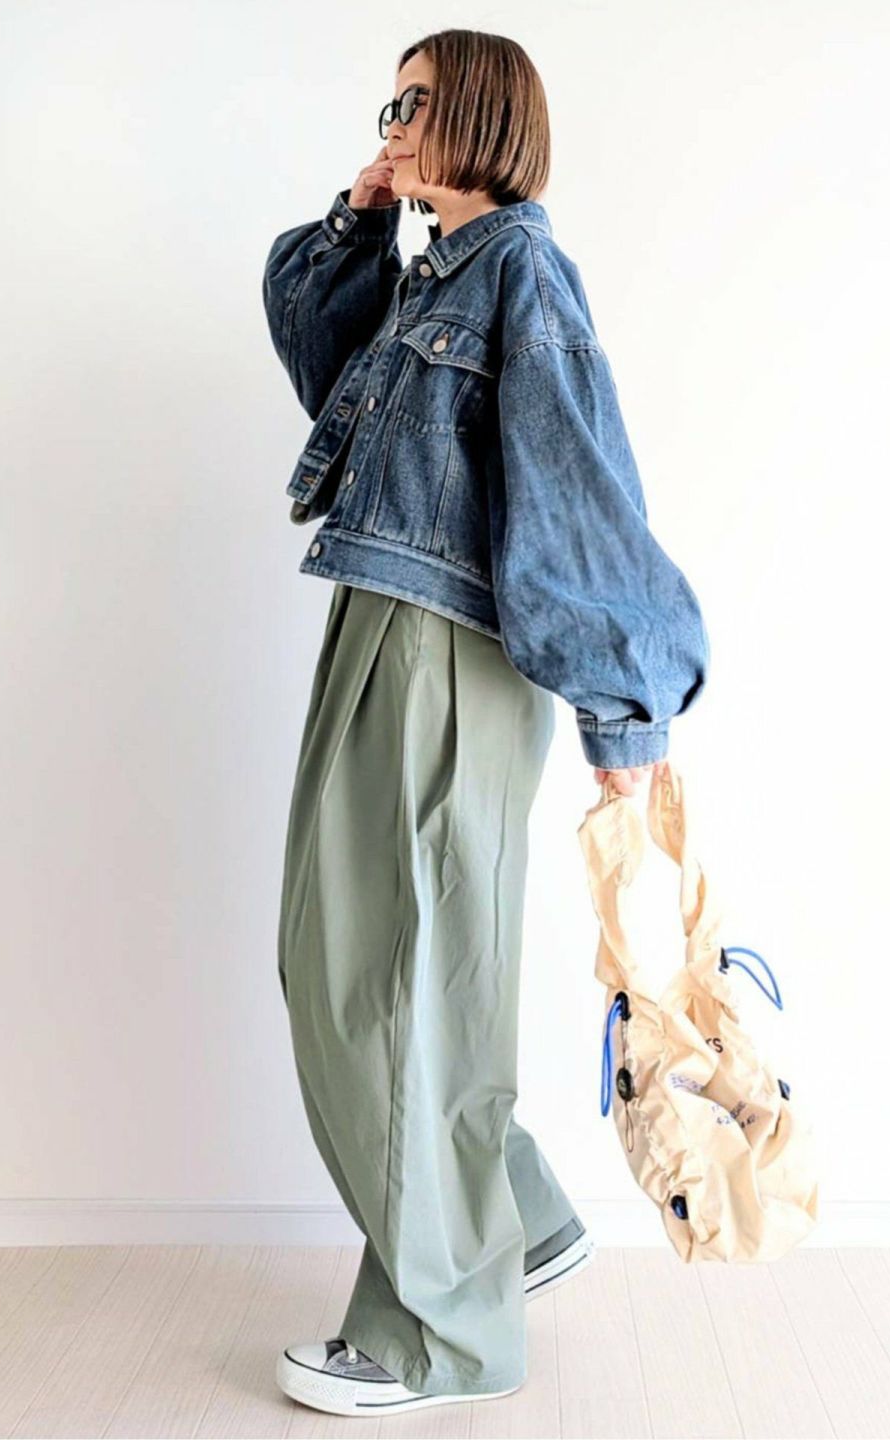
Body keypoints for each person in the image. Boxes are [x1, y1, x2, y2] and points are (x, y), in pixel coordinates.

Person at [262, 28, 709, 1419]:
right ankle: (516, 1218)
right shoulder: (433, 270)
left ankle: (443, 1337)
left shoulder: (521, 272)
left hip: (450, 650)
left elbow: (580, 483)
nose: (390, 121)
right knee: (338, 968)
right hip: (380, 624)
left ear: (478, 113)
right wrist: (361, 217)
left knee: (402, 983)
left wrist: (625, 715)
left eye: (414, 101)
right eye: (386, 101)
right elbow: (314, 353)